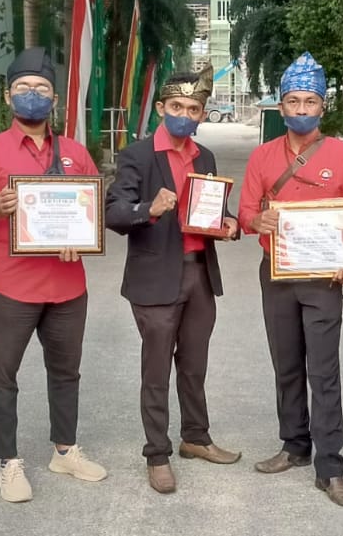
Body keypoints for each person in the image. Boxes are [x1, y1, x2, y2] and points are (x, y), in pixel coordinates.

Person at [0, 46, 107, 505]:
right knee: (2, 375)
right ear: (8, 96)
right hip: (12, 286)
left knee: (66, 372)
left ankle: (65, 450)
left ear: (54, 99)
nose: (32, 95)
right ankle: (8, 462)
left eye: (41, 88)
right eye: (23, 87)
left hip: (67, 285)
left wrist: (82, 238)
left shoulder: (75, 153)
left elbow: (94, 212)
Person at [104, 66, 242, 494]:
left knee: (195, 364)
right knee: (157, 368)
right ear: (162, 108)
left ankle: (195, 437)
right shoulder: (138, 156)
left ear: (202, 114)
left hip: (199, 272)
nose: (185, 114)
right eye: (177, 106)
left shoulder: (206, 157)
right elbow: (113, 213)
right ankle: (157, 453)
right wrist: (149, 208)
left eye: (193, 109)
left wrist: (229, 223)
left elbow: (215, 210)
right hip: (155, 277)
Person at [238, 52, 343, 508]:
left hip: (324, 277)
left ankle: (330, 467)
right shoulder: (263, 156)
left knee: (323, 371)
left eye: (310, 101)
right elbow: (246, 212)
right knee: (286, 364)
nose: (301, 109)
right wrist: (259, 221)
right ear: (281, 106)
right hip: (277, 273)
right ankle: (294, 445)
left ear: (322, 106)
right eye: (293, 101)